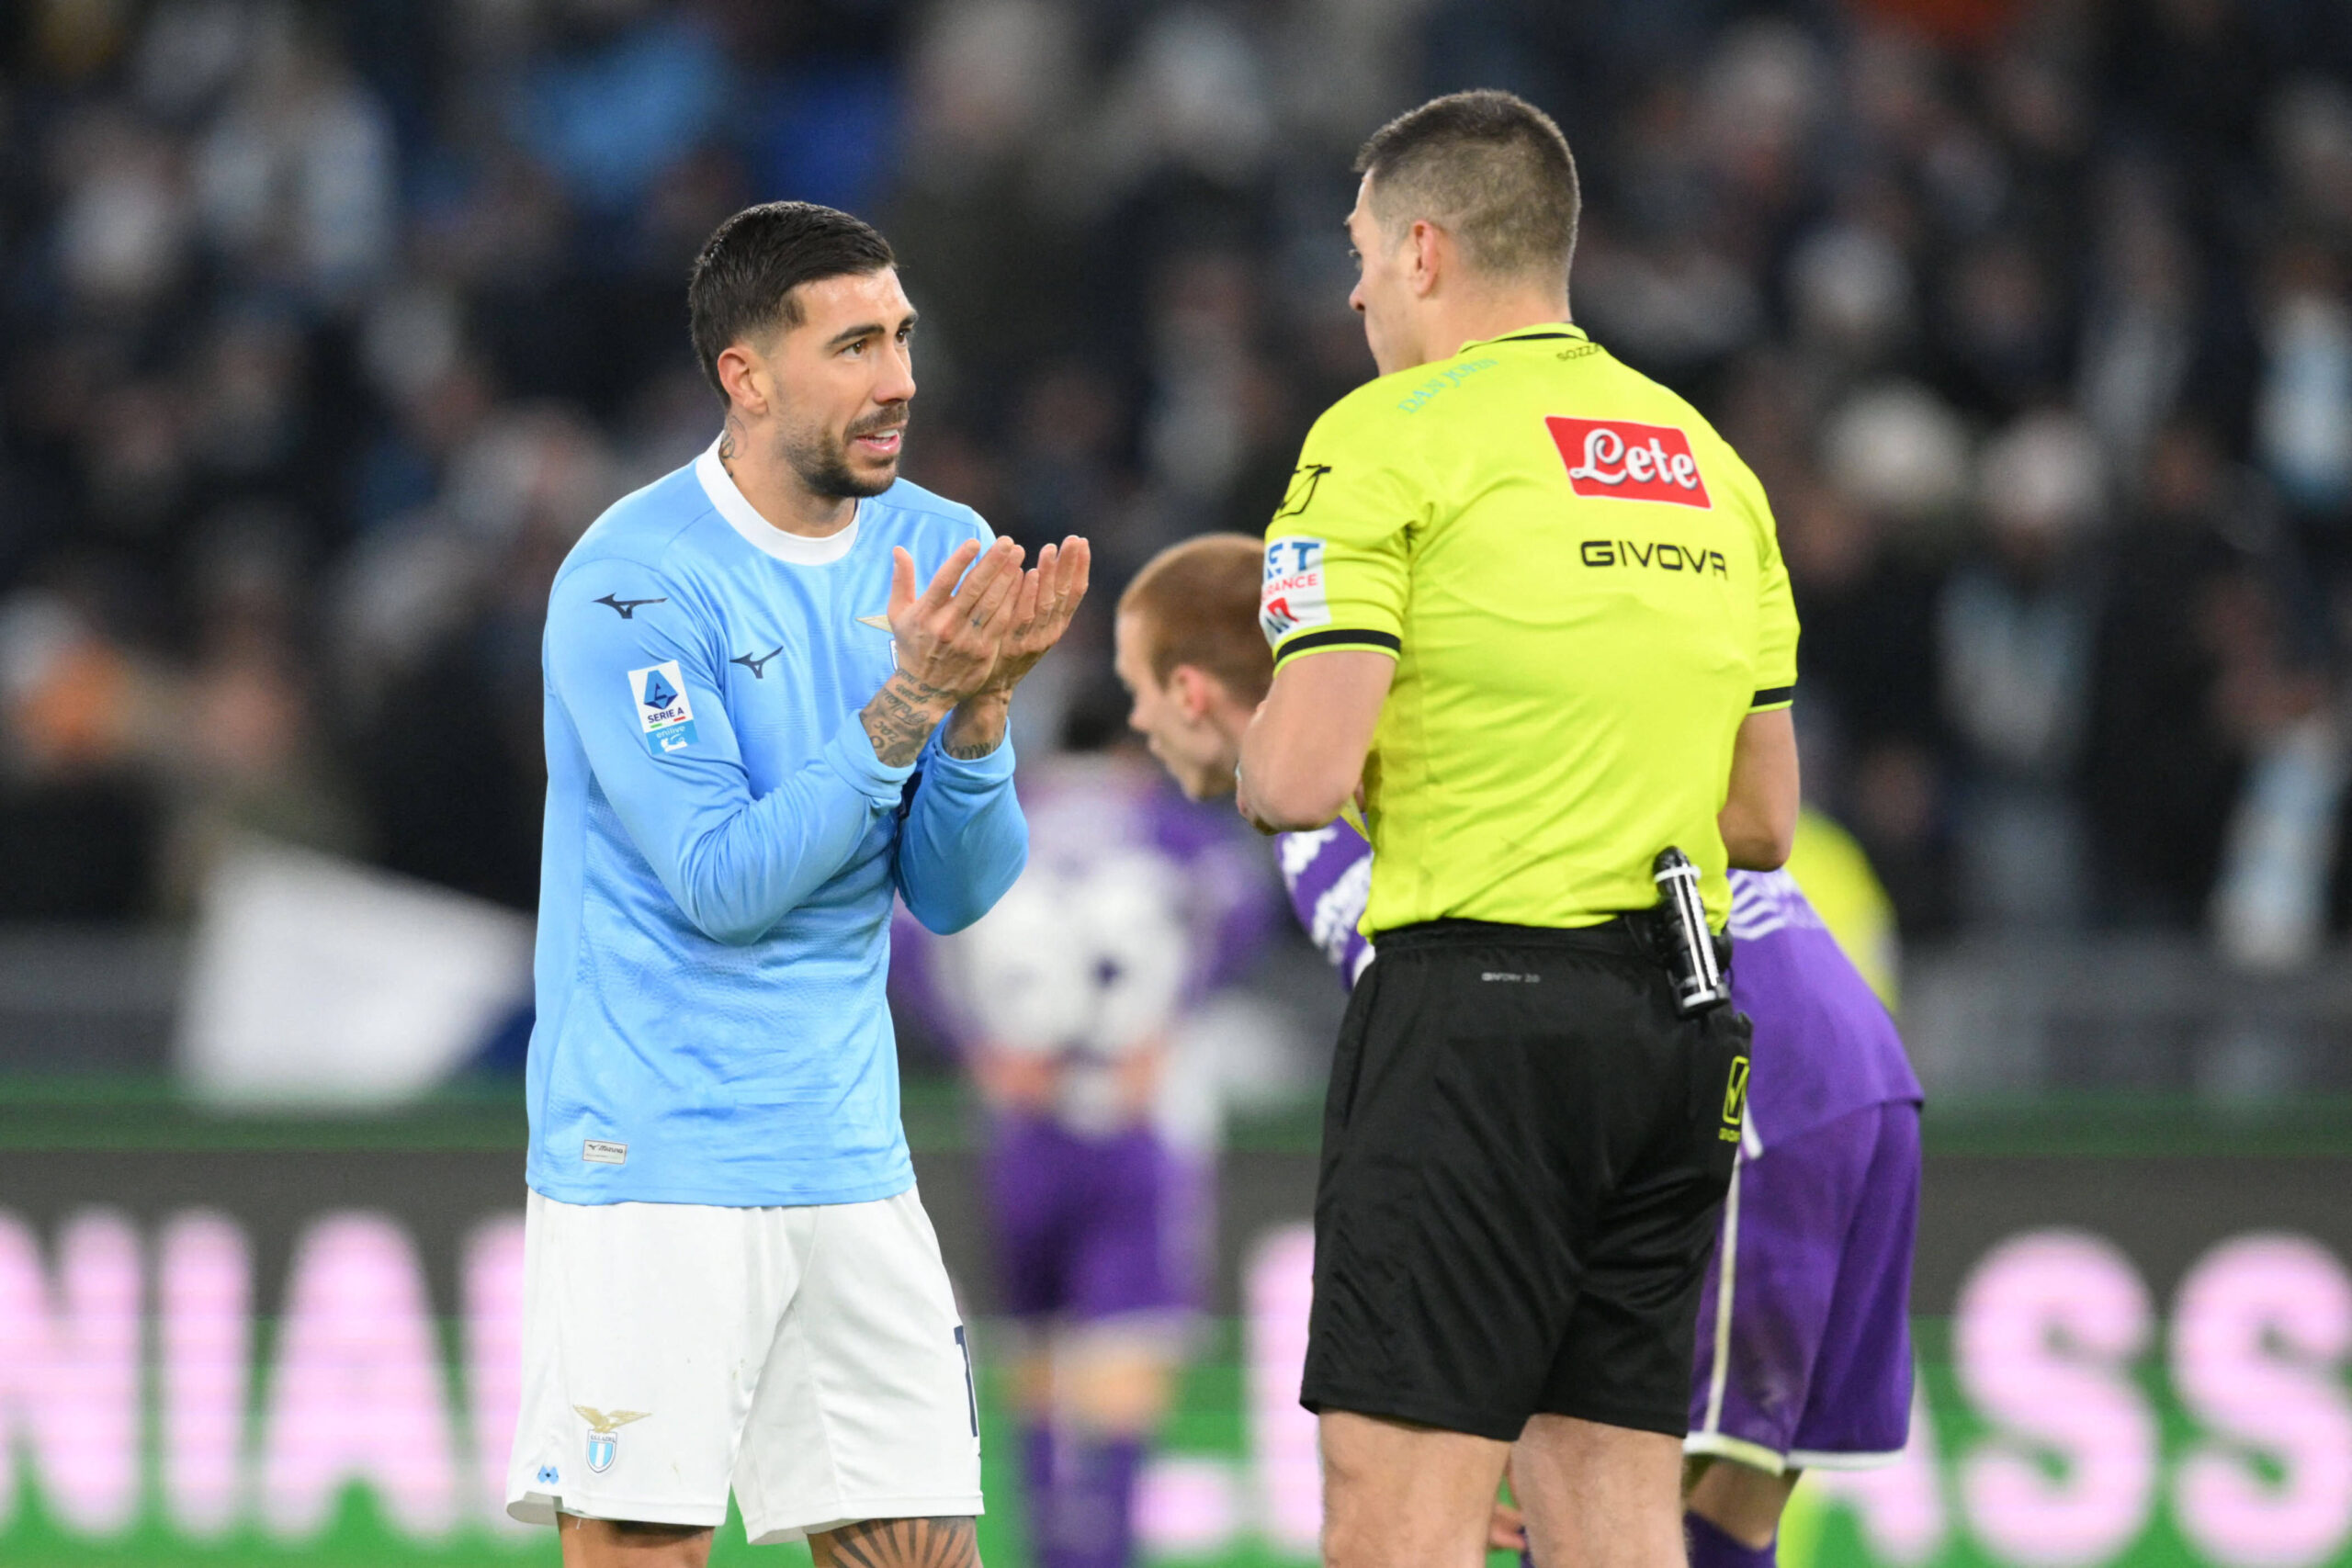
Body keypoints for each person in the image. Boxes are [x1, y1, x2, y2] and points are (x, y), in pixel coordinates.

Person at [1234, 89, 1804, 1568]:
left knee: (1396, 1515)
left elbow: (1298, 777)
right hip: (1678, 1038)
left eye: (1361, 251)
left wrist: (1259, 744)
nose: (1353, 289)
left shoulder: (1384, 436)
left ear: (1424, 251)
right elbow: (1764, 817)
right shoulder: (1707, 458)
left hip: (1477, 1022)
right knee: (1608, 1504)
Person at [1113, 534, 1923, 1568]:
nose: (1134, 721)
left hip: (1731, 1096)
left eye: (1136, 690)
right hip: (1851, 1071)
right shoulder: (1467, 708)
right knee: (1719, 1505)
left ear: (1190, 691)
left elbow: (1469, 1052)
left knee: (1591, 1501)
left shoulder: (1330, 804)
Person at [505, 200, 1090, 1568]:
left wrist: (983, 718)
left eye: (902, 338)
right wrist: (910, 703)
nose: (899, 379)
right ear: (747, 376)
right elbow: (722, 882)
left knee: (920, 1550)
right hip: (653, 1161)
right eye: (853, 346)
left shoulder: (937, 544)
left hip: (847, 1151)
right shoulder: (634, 582)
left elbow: (952, 894)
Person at [888, 694, 1278, 1568]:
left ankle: (1046, 1552)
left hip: (1020, 1122)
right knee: (1127, 1353)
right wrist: (1176, 1017)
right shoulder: (1168, 825)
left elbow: (904, 931)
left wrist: (973, 1043)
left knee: (1032, 1353)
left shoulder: (1002, 810)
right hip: (1134, 1117)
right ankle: (1108, 1554)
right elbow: (1244, 903)